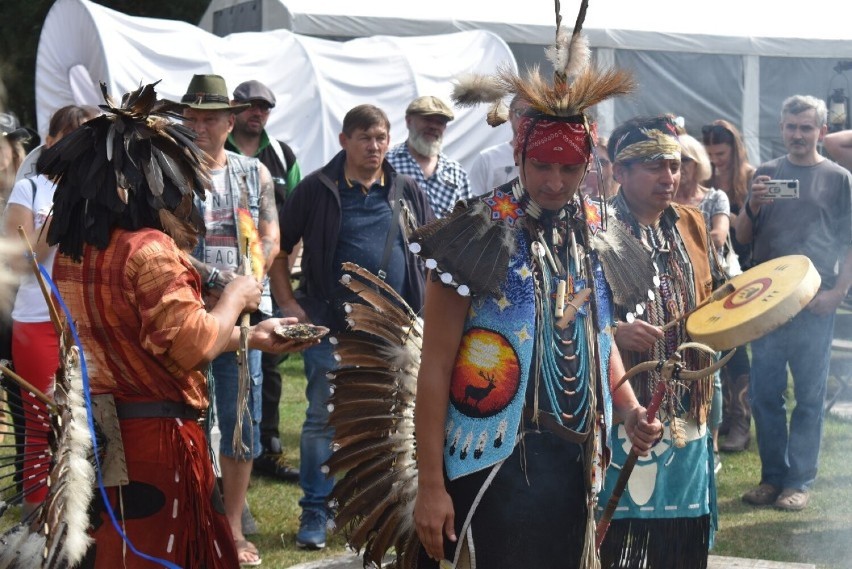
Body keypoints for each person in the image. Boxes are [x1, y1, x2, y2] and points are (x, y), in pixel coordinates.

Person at [410, 30, 662, 567]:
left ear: (589, 163)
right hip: (489, 460)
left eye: (570, 168)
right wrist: (430, 485)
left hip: (573, 459)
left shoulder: (598, 231)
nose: (554, 182)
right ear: (517, 152)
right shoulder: (474, 234)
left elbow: (599, 332)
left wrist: (630, 407)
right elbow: (433, 369)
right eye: (543, 166)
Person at [41, 81, 314, 568]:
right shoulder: (148, 250)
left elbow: (155, 339)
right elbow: (189, 346)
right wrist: (234, 297)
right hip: (155, 441)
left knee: (113, 555)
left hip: (100, 433)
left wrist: (250, 337)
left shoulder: (75, 252)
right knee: (160, 555)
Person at [276, 103, 435, 549]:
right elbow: (278, 249)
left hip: (395, 332)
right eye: (365, 137)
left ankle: (378, 509)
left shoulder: (408, 190)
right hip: (332, 327)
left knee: (389, 423)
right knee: (322, 420)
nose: (374, 146)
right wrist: (289, 302)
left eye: (381, 137)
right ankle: (315, 511)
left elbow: (428, 256)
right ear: (345, 140)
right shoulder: (317, 189)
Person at [598, 116, 721, 569]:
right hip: (621, 403)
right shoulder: (596, 228)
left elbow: (714, 294)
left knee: (680, 535)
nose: (668, 177)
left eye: (673, 166)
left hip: (686, 405)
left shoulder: (690, 222)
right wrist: (613, 333)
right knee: (616, 540)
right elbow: (568, 317)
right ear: (620, 172)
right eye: (653, 166)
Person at [734, 95, 852, 511]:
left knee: (808, 397)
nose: (798, 135)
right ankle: (772, 479)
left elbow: (850, 243)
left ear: (821, 131)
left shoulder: (838, 178)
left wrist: (837, 293)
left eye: (806, 127)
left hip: (815, 303)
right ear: (781, 128)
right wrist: (752, 205)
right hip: (766, 305)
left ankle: (799, 481)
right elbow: (743, 237)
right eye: (791, 126)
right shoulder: (764, 174)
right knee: (766, 395)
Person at [181, 73, 279, 566]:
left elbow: (269, 236)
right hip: (188, 312)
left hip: (245, 318)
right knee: (187, 418)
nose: (198, 126)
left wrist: (252, 286)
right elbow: (169, 247)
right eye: (191, 117)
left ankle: (234, 527)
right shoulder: (171, 169)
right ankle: (195, 520)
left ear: (229, 120)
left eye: (208, 118)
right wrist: (226, 284)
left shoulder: (252, 172)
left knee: (242, 420)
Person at [2, 104, 99, 517]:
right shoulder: (30, 189)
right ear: (51, 142)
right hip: (38, 320)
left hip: (92, 322)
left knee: (91, 422)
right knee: (42, 422)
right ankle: (38, 521)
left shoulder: (105, 191)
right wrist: (61, 214)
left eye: (86, 139)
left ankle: (88, 518)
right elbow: (19, 260)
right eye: (69, 137)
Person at [227, 79, 302, 482]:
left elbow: (294, 217)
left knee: (269, 360)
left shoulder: (282, 154)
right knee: (223, 353)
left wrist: (284, 268)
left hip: (269, 269)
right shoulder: (216, 150)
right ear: (234, 110)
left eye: (265, 108)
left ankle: (266, 446)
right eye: (251, 106)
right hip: (219, 272)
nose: (258, 113)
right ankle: (226, 448)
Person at [673, 133, 730, 472]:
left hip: (707, 292)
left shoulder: (714, 198)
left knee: (711, 369)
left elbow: (719, 237)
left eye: (683, 161)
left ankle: (714, 441)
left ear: (697, 164)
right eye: (670, 161)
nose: (678, 169)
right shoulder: (657, 198)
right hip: (671, 294)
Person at [702, 119, 755, 453]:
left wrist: (734, 219)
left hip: (746, 267)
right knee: (720, 346)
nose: (715, 160)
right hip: (714, 271)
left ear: (734, 149)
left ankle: (741, 420)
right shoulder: (704, 178)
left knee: (739, 349)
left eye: (720, 153)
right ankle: (725, 418)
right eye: (709, 154)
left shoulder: (749, 177)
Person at [386, 95, 472, 217]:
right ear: (409, 121)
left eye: (440, 122)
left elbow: (467, 218)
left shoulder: (456, 172)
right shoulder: (388, 162)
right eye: (427, 119)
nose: (433, 126)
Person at [467, 95, 529, 196]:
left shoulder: (549, 160)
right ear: (510, 115)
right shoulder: (487, 159)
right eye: (520, 113)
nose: (526, 120)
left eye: (533, 114)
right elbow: (473, 204)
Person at [581, 136, 617, 200]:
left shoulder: (621, 201)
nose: (594, 167)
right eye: (589, 161)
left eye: (602, 162)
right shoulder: (569, 200)